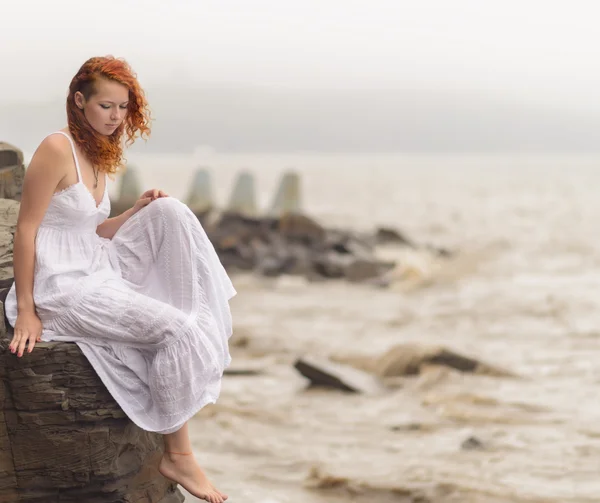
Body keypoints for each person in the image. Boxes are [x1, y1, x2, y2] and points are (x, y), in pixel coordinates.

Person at [4, 56, 235, 503]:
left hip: (95, 265)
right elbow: (28, 229)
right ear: (79, 101)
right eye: (106, 106)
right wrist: (29, 311)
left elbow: (88, 230)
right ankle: (178, 455)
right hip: (62, 287)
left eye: (123, 108)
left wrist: (133, 213)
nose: (115, 117)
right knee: (178, 331)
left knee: (167, 210)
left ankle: (193, 308)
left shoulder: (99, 153)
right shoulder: (56, 148)